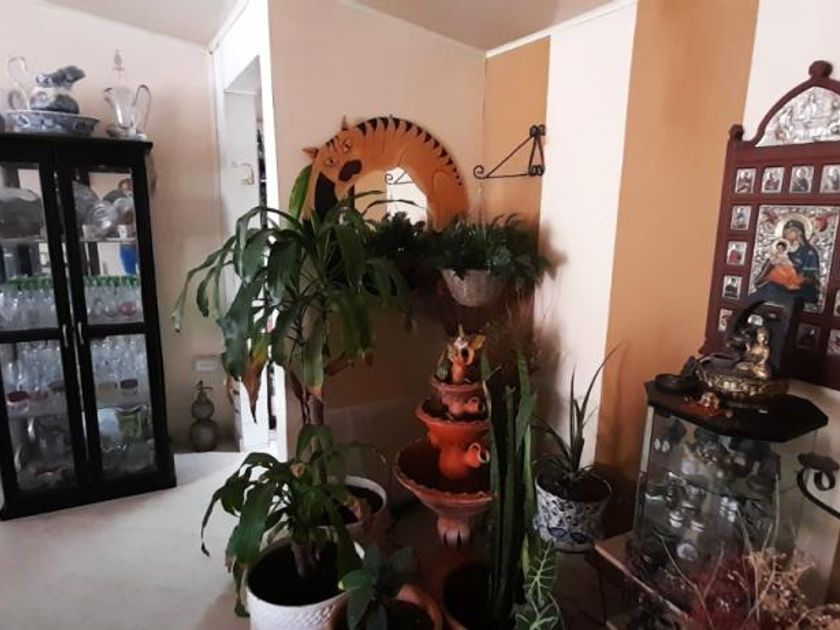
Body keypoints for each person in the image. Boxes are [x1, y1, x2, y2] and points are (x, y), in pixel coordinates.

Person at [753, 219, 820, 306]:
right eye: (786, 232)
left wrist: (794, 270)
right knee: (769, 286)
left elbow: (811, 274)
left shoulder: (809, 251)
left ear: (799, 233)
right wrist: (774, 262)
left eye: (790, 232)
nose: (786, 235)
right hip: (781, 279)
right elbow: (770, 264)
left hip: (799, 282)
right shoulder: (783, 247)